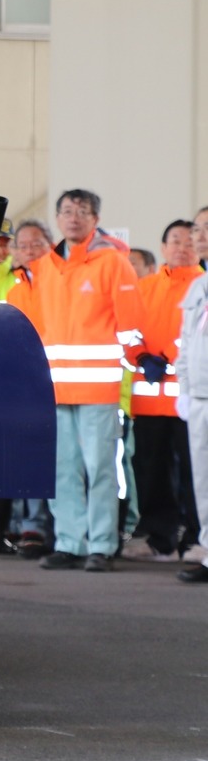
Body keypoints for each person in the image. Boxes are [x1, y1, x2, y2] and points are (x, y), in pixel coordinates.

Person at [25, 189, 144, 574]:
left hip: (99, 388)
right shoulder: (45, 267)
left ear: (95, 219)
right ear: (57, 219)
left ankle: (103, 544)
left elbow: (131, 324)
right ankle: (69, 542)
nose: (74, 217)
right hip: (57, 387)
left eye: (82, 211)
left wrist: (134, 363)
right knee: (62, 469)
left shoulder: (113, 263)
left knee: (101, 468)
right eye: (67, 211)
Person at [120, 220, 203, 561]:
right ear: (164, 247)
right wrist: (139, 354)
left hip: (191, 397)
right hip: (149, 397)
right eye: (174, 241)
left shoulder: (202, 285)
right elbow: (127, 327)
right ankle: (158, 535)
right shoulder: (145, 286)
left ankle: (197, 536)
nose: (181, 247)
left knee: (195, 472)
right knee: (150, 468)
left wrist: (169, 356)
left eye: (188, 240)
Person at [2, 217, 56, 557]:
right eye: (22, 245)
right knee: (26, 455)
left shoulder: (58, 285)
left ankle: (44, 525)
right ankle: (27, 524)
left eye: (37, 244)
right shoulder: (15, 291)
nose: (29, 250)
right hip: (23, 383)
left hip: (60, 383)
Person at [176, 206, 208, 584]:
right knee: (203, 479)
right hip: (199, 395)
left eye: (206, 229)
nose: (199, 236)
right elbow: (185, 344)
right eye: (197, 229)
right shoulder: (197, 286)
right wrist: (184, 388)